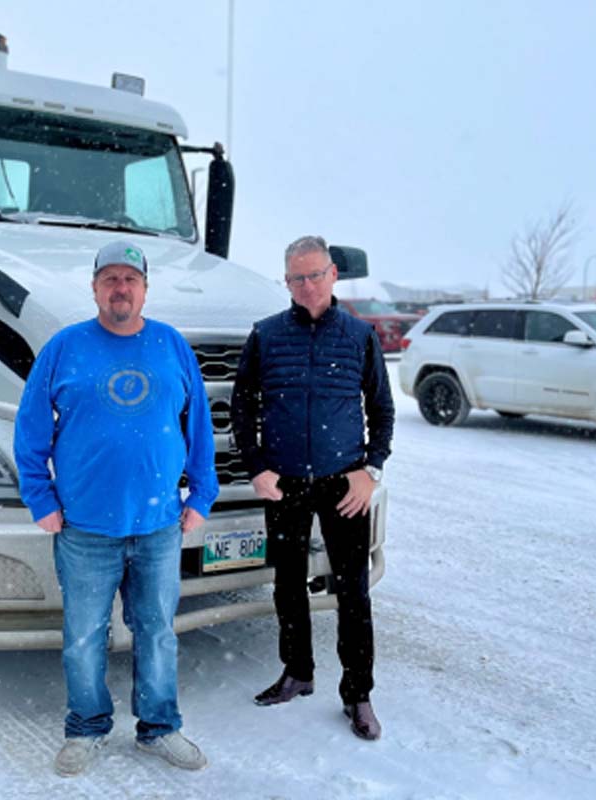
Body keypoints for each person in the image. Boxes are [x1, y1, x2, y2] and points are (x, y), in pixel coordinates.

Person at [14, 239, 218, 777]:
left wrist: (202, 494)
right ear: (96, 288)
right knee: (83, 636)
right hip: (83, 527)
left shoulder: (171, 345)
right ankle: (86, 727)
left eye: (130, 279)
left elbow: (198, 427)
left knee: (157, 633)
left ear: (145, 289)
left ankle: (159, 728)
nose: (120, 288)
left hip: (158, 526)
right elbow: (30, 428)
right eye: (111, 279)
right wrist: (40, 496)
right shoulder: (65, 347)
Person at [230, 234, 395, 740]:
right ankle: (298, 672)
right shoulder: (266, 335)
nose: (307, 286)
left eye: (315, 275)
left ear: (333, 275)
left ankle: (358, 694)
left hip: (343, 485)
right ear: (286, 282)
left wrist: (371, 471)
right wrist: (257, 467)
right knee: (287, 583)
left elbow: (382, 411)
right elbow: (243, 407)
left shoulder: (358, 336)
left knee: (352, 591)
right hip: (284, 484)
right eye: (297, 278)